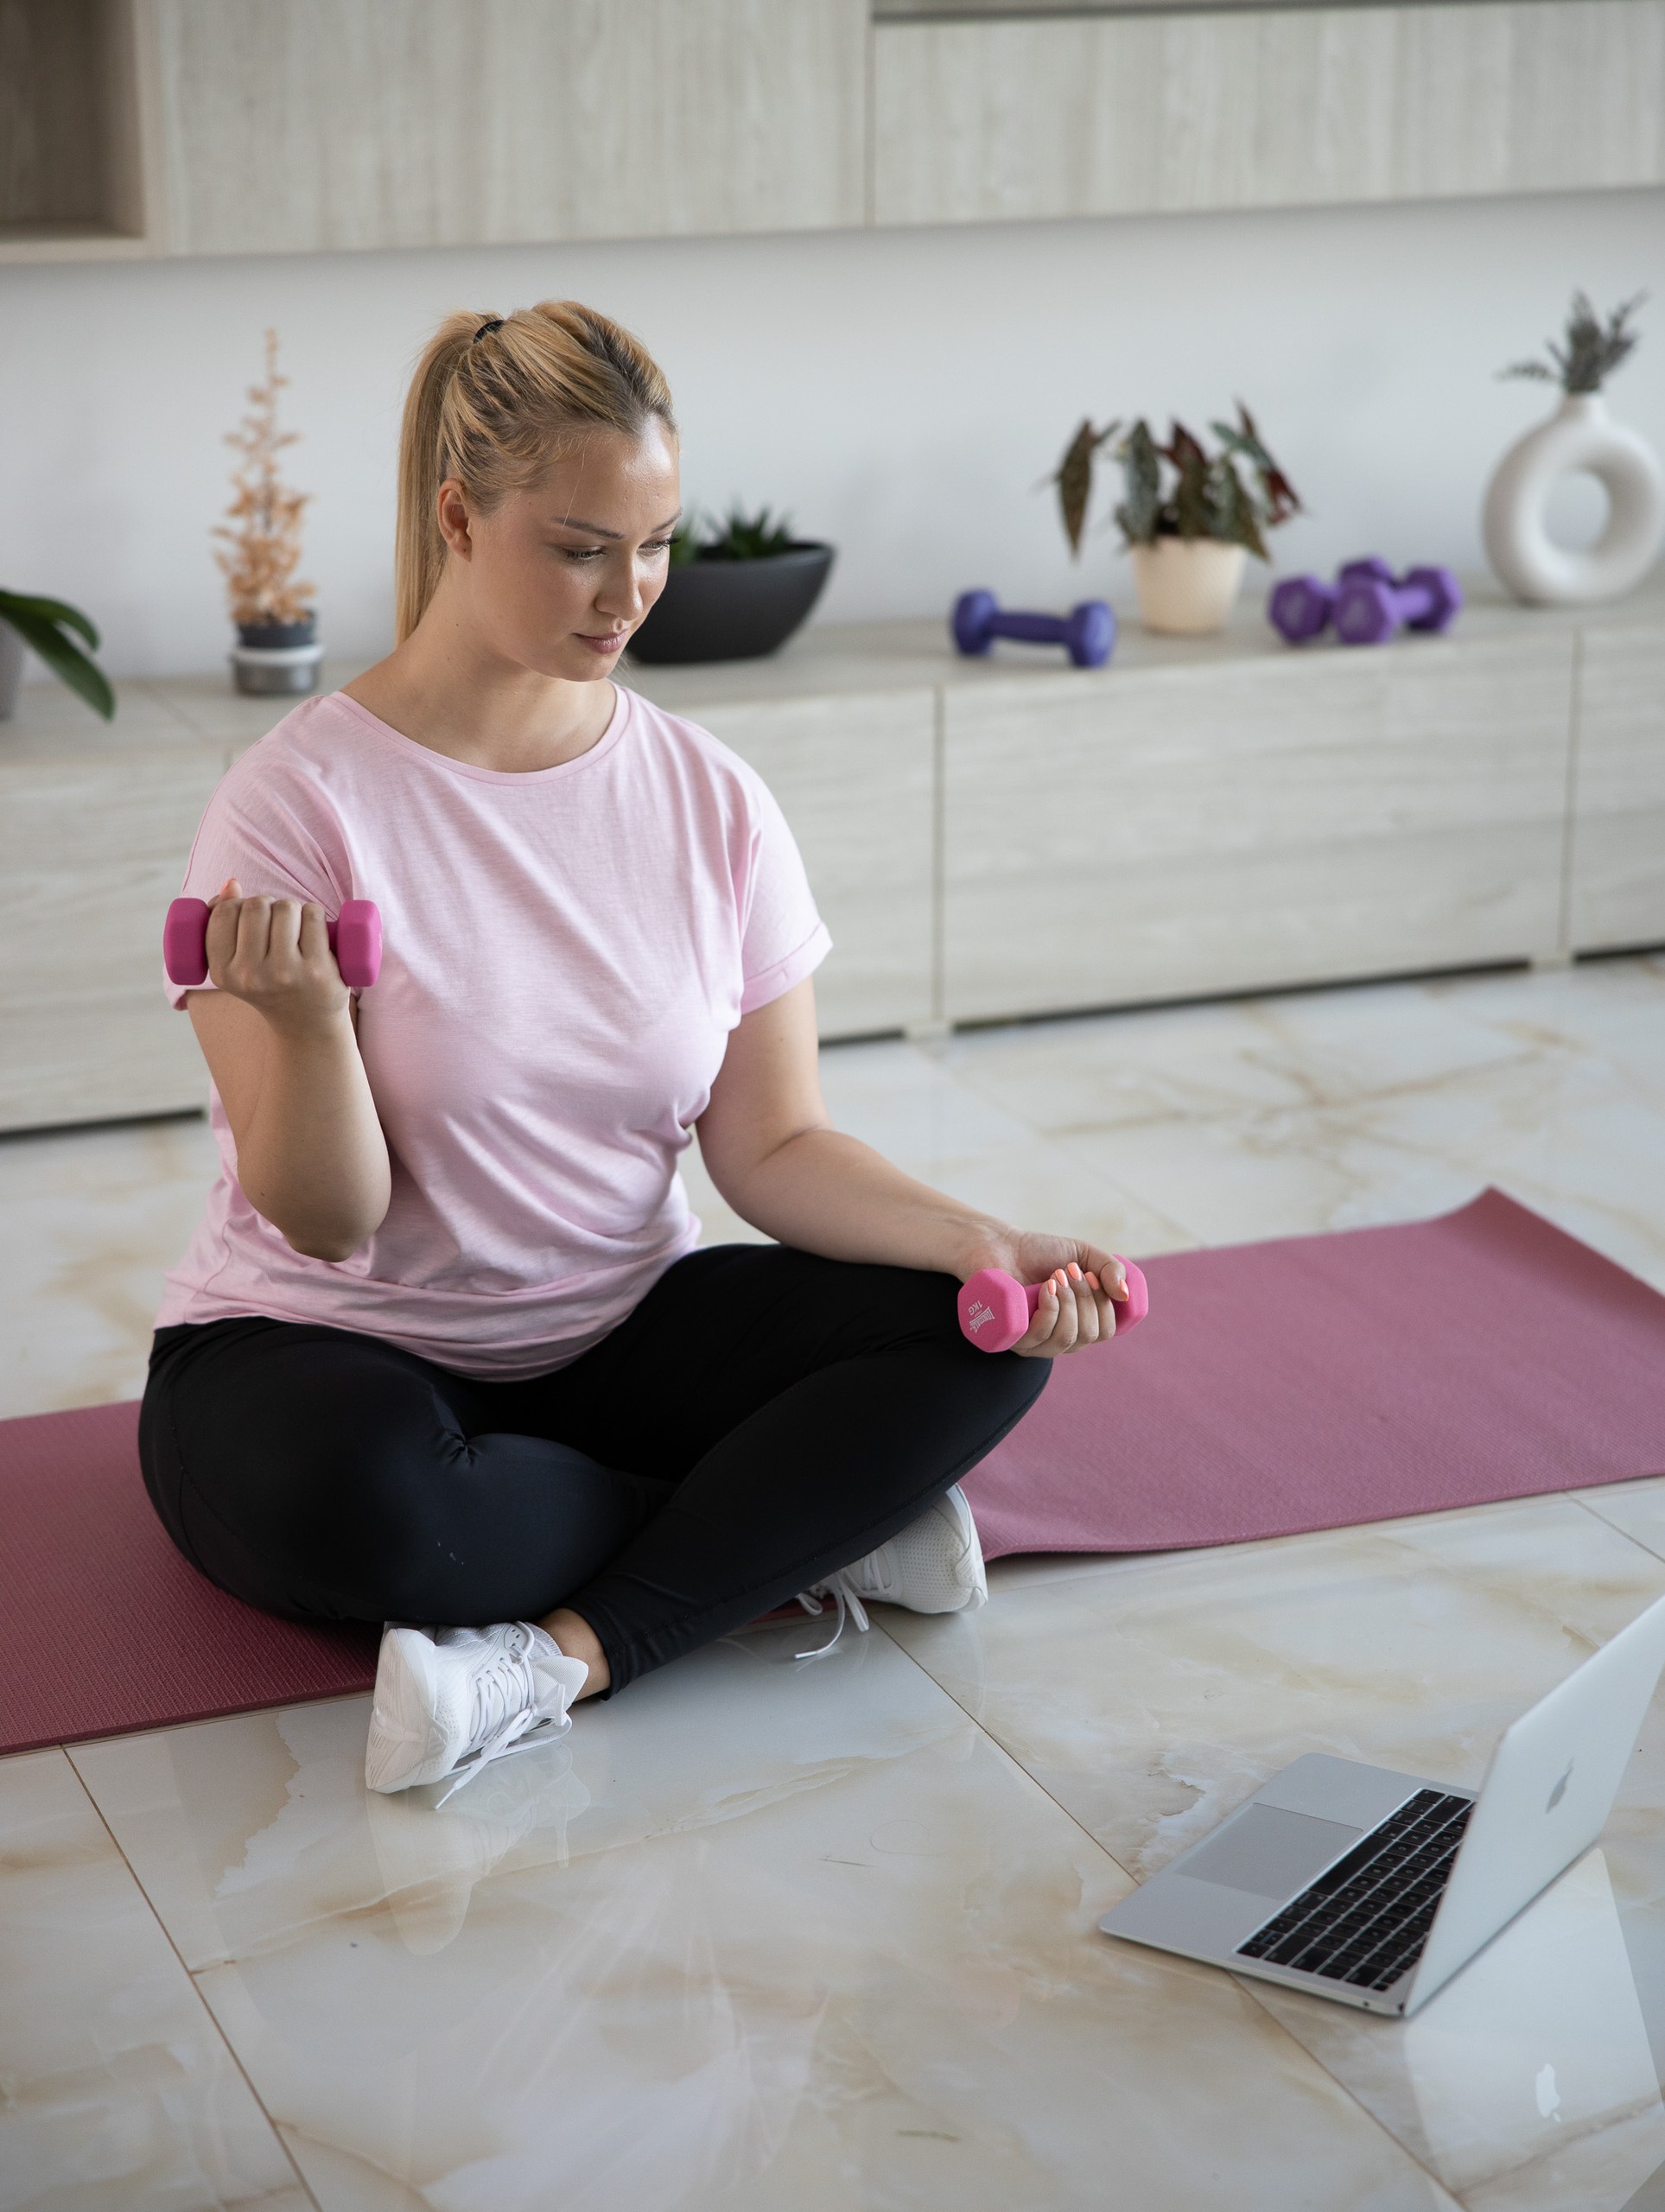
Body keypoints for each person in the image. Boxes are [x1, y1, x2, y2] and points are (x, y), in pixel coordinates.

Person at [140, 301, 1133, 1802]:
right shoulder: (296, 808)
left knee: (963, 1336)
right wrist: (302, 1017)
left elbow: (774, 1147)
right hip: (327, 1358)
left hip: (617, 1332)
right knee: (364, 1514)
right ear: (461, 516)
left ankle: (561, 1657)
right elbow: (326, 1218)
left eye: (655, 542)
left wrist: (979, 1239)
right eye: (583, 544)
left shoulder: (709, 797)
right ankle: (790, 1521)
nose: (630, 593)